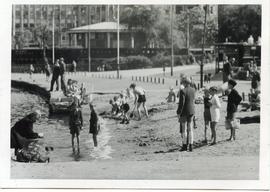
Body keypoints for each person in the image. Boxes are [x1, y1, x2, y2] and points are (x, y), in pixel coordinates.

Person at [176, 77, 196, 152]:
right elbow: (192, 100)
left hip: (184, 112)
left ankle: (184, 145)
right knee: (190, 128)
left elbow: (182, 103)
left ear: (184, 83)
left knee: (184, 129)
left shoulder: (182, 91)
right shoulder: (193, 90)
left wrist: (178, 112)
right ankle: (191, 145)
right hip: (191, 111)